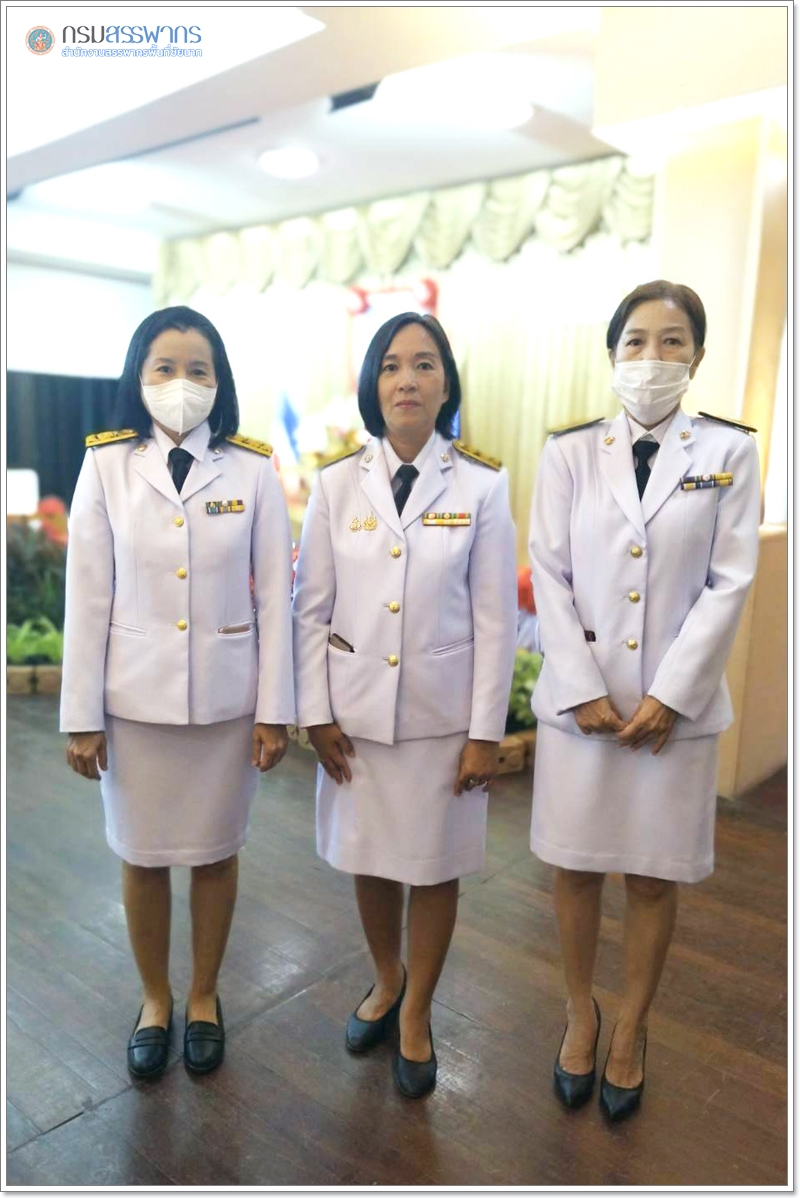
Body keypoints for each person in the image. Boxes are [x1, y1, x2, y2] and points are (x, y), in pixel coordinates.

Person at [528, 280, 760, 1121]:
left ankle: (631, 1025)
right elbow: (549, 573)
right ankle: (580, 1011)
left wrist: (670, 695)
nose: (652, 357)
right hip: (582, 714)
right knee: (576, 869)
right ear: (612, 353)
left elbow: (730, 581)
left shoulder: (728, 452)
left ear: (696, 355)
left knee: (654, 881)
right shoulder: (568, 452)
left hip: (673, 720)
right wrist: (582, 687)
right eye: (635, 340)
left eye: (671, 342)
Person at [60, 306, 295, 1079]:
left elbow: (276, 601)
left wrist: (276, 711)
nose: (181, 383)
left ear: (219, 383)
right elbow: (87, 594)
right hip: (133, 707)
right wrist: (81, 715)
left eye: (199, 370)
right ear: (139, 377)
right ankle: (155, 999)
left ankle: (203, 996)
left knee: (217, 855)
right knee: (142, 858)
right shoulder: (106, 465)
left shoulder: (252, 470)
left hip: (226, 706)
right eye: (165, 367)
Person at [292, 312, 517, 1098]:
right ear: (373, 384)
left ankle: (417, 1010)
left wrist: (485, 732)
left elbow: (496, 620)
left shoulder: (482, 485)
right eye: (390, 366)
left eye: (424, 364)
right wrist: (315, 713)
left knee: (433, 866)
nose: (407, 380)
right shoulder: (335, 485)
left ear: (446, 383)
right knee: (369, 856)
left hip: (441, 721)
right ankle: (386, 978)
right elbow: (310, 610)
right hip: (354, 720)